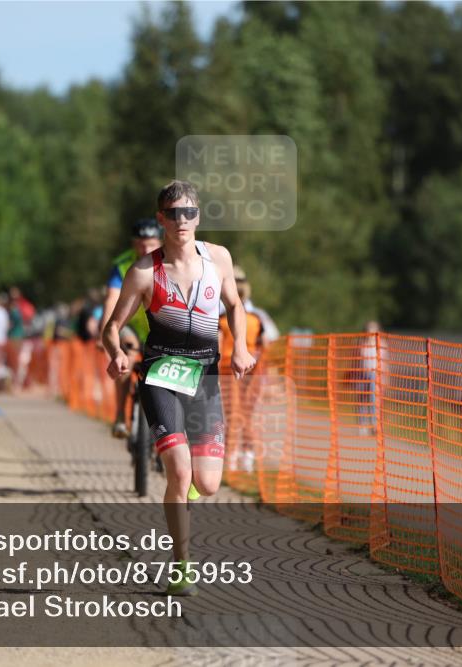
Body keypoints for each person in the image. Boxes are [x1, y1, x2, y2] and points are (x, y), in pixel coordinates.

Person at [101, 180, 256, 596]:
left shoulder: (218, 258)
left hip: (204, 378)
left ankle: (179, 489)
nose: (181, 221)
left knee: (206, 483)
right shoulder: (143, 271)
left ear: (198, 217)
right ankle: (182, 565)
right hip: (161, 376)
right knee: (180, 471)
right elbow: (111, 328)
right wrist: (116, 352)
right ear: (161, 219)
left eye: (188, 212)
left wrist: (240, 345)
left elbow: (236, 306)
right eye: (173, 213)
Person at [101, 218, 164, 438]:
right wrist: (106, 335)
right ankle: (119, 416)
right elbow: (111, 301)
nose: (145, 248)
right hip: (130, 324)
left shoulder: (169, 261)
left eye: (151, 243)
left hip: (158, 327)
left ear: (160, 242)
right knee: (125, 353)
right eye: (140, 243)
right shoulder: (122, 265)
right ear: (133, 243)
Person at [218, 267, 265, 473]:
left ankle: (239, 456)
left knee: (238, 414)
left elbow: (265, 345)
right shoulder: (253, 318)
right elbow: (266, 344)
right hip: (234, 370)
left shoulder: (254, 317)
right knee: (238, 415)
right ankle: (240, 456)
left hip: (243, 371)